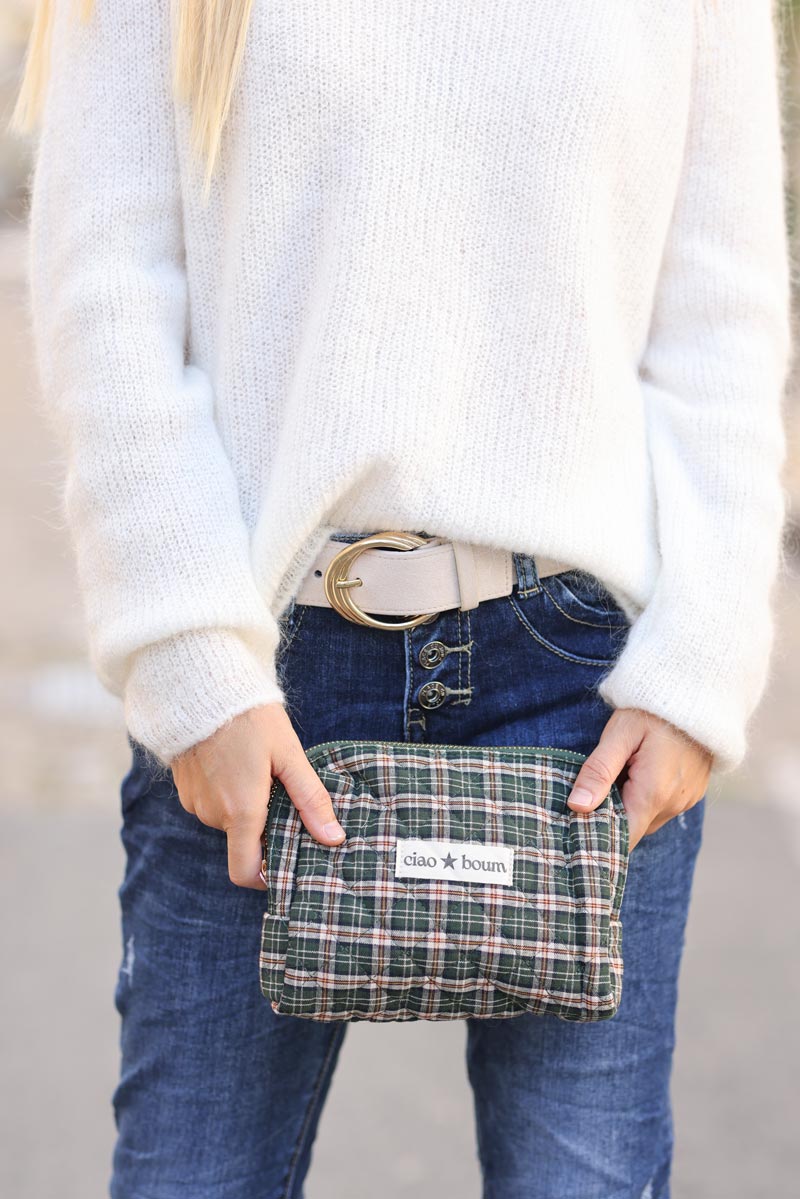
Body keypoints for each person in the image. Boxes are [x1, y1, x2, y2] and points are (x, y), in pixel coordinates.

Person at [13, 1, 792, 1196]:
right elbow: (106, 288)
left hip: (582, 687)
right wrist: (188, 657)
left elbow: (720, 324)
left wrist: (699, 667)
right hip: (259, 672)